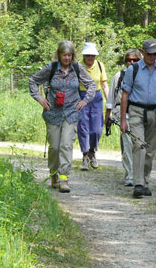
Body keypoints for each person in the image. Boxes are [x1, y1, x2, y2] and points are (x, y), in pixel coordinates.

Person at [29, 41, 96, 193]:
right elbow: (33, 81)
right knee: (54, 147)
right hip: (53, 113)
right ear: (59, 55)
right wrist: (40, 98)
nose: (67, 58)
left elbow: (91, 85)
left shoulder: (77, 69)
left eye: (69, 55)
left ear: (73, 56)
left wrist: (85, 101)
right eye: (64, 55)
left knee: (66, 145)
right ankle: (53, 173)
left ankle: (64, 178)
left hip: (71, 113)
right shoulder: (51, 68)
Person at [120, 39, 156, 198]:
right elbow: (125, 94)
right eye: (150, 53)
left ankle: (145, 181)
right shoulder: (134, 70)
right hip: (137, 111)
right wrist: (123, 119)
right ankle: (138, 183)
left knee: (150, 151)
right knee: (139, 146)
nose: (153, 56)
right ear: (143, 52)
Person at [105, 48, 143, 186]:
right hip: (123, 114)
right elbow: (111, 98)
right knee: (127, 146)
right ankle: (130, 175)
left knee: (139, 146)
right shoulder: (119, 76)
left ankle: (139, 174)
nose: (131, 62)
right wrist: (107, 117)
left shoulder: (145, 76)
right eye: (129, 60)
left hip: (140, 114)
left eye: (135, 60)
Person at [78, 42, 109, 170]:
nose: (90, 58)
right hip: (82, 96)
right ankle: (85, 155)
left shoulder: (100, 66)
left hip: (96, 97)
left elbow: (104, 85)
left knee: (96, 129)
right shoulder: (78, 66)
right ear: (84, 56)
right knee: (83, 127)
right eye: (88, 55)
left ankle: (92, 152)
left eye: (92, 55)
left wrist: (110, 102)